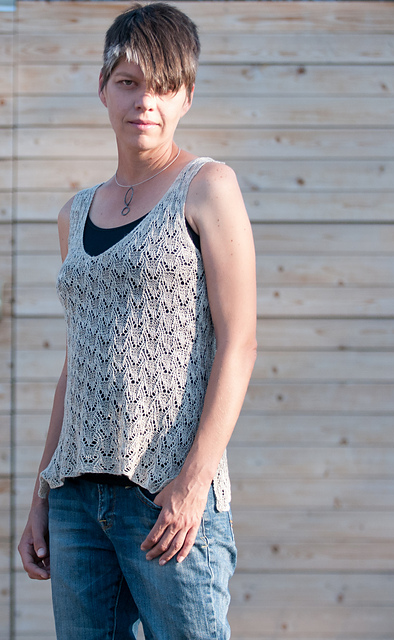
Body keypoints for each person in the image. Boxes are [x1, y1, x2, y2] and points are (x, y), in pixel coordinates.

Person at [18, 3, 257, 639]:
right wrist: (42, 494)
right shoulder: (74, 215)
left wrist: (194, 483)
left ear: (186, 97)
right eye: (128, 82)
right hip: (75, 503)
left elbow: (240, 344)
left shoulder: (207, 187)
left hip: (167, 497)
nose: (144, 101)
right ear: (103, 88)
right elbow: (76, 366)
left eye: (163, 86)